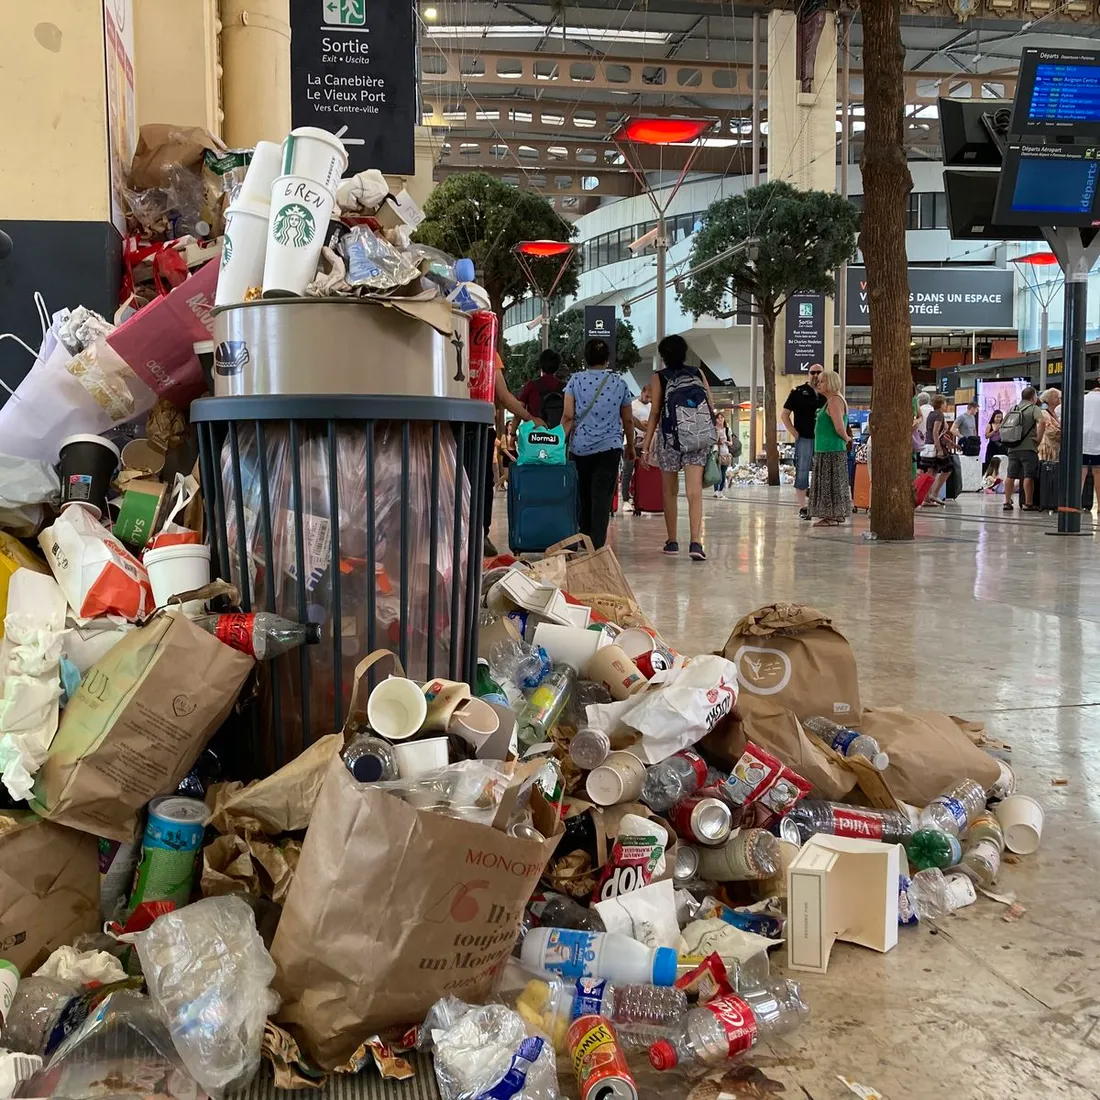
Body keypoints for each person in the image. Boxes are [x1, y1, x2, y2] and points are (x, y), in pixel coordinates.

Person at [641, 334, 716, 561]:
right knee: (694, 492)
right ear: (685, 353)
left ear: (663, 356)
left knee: (669, 491)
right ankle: (696, 542)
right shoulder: (697, 373)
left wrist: (645, 447)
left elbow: (654, 414)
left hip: (670, 438)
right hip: (696, 438)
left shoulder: (659, 377)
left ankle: (672, 541)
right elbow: (710, 405)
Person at [561, 339, 633, 550]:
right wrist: (630, 446)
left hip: (580, 448)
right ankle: (597, 545)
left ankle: (582, 538)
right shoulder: (619, 383)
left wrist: (558, 440)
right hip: (610, 449)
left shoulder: (575, 381)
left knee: (582, 495)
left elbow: (567, 416)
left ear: (586, 359)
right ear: (607, 359)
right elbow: (628, 419)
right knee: (602, 497)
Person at [487, 352, 544, 554]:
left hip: (447, 425)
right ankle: (481, 533)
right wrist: (530, 417)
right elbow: (502, 394)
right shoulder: (486, 345)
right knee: (483, 486)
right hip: (480, 425)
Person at [807, 369, 853, 526]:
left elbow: (839, 426)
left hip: (830, 449)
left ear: (831, 383)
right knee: (834, 481)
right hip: (827, 448)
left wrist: (847, 439)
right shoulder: (833, 400)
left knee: (828, 482)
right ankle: (835, 513)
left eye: (822, 381)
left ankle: (830, 516)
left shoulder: (834, 401)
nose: (818, 384)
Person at [782, 364, 826, 519]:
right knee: (802, 470)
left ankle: (820, 505)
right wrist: (794, 433)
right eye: (812, 372)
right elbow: (785, 414)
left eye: (818, 372)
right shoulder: (798, 392)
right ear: (808, 374)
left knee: (822, 471)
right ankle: (803, 508)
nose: (815, 375)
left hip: (823, 439)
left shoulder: (827, 393)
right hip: (805, 438)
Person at [1002, 385, 1045, 512]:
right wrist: (1038, 438)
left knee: (1010, 475)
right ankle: (1028, 503)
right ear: (1034, 397)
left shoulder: (1013, 408)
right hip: (1028, 447)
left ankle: (1007, 502)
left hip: (1012, 447)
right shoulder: (1033, 408)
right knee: (1028, 475)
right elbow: (1042, 422)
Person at [918, 394, 955, 508]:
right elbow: (935, 432)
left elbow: (935, 433)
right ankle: (934, 493)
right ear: (941, 404)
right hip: (936, 447)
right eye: (944, 403)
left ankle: (927, 498)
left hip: (927, 446)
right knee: (948, 469)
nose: (946, 405)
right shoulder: (939, 415)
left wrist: (951, 443)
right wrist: (939, 449)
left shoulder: (931, 415)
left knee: (931, 472)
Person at [622, 385, 651, 513]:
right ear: (641, 393)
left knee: (643, 472)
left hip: (645, 443)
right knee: (628, 470)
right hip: (631, 441)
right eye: (647, 396)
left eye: (651, 397)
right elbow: (626, 420)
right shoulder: (632, 405)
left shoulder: (651, 407)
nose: (648, 399)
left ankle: (639, 498)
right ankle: (625, 499)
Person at [518, 349, 564, 423]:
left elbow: (519, 410)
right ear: (558, 366)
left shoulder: (531, 386)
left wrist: (513, 432)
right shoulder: (565, 388)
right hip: (559, 432)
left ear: (541, 366)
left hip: (535, 431)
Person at [1082, 378, 1100, 503]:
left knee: (1081, 473)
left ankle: (1075, 503)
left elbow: (1059, 410)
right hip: (1098, 439)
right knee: (1097, 472)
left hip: (1081, 438)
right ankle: (1099, 505)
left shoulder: (1082, 399)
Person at [1038, 387, 1062, 463]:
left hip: (1056, 448)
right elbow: (1050, 431)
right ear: (1048, 399)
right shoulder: (1044, 413)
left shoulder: (1056, 414)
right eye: (1056, 397)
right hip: (1047, 449)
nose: (1059, 399)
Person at [714, 413, 733, 498]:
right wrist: (717, 441)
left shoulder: (727, 430)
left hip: (725, 453)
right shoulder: (714, 429)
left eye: (722, 418)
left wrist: (727, 442)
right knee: (716, 473)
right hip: (716, 453)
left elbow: (731, 442)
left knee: (722, 473)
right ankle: (715, 490)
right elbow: (711, 441)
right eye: (718, 418)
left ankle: (720, 490)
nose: (720, 419)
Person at [983, 409, 1006, 477]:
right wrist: (995, 431)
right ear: (994, 417)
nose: (999, 419)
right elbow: (987, 436)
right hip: (992, 445)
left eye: (1000, 417)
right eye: (997, 417)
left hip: (1001, 445)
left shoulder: (1003, 424)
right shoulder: (990, 425)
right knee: (990, 462)